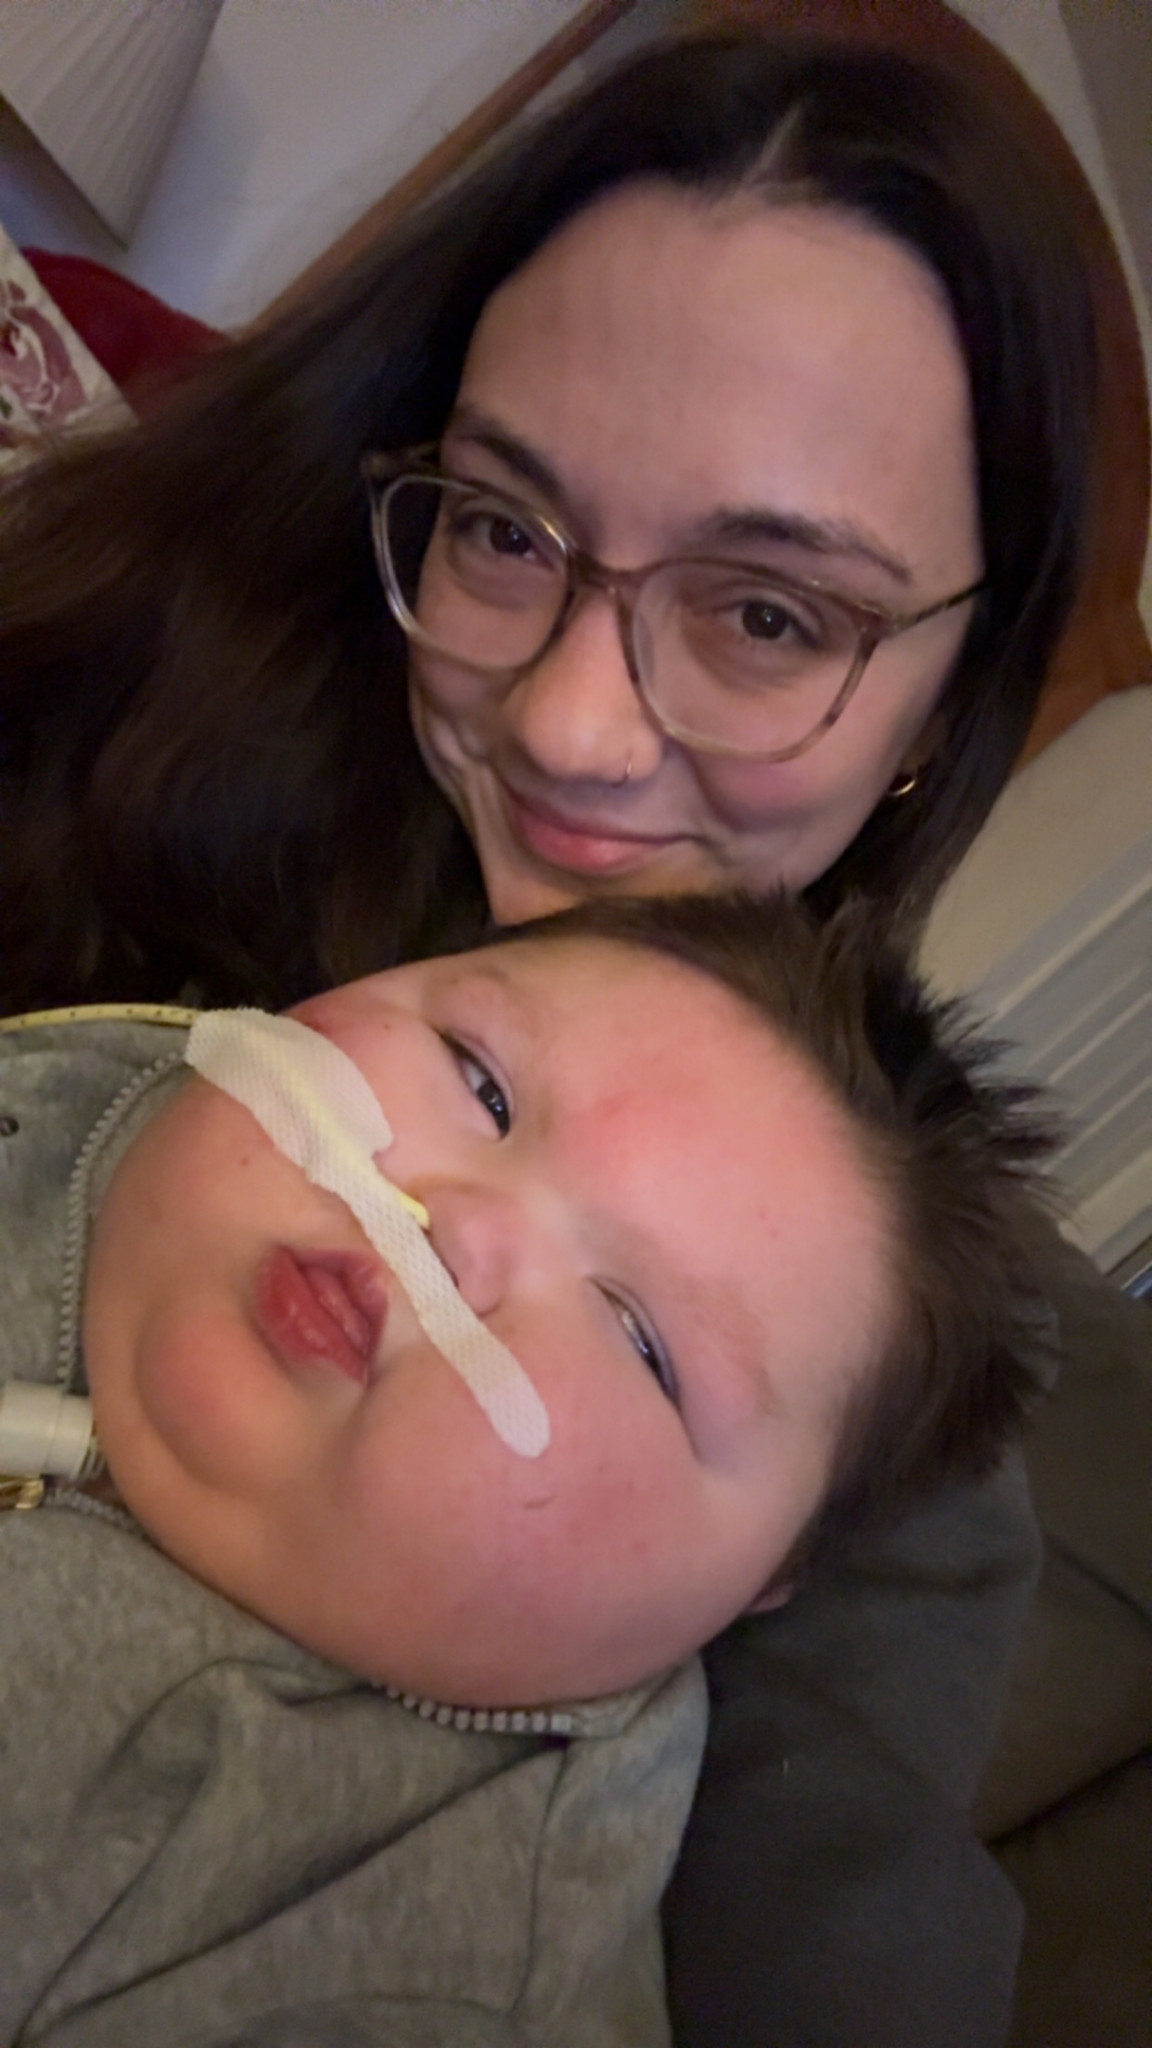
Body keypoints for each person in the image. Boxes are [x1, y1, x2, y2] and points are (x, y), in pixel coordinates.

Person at [0, 29, 1100, 2047]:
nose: (571, 726)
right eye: (506, 529)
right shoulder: (109, 692)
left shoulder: (865, 1424)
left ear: (949, 697)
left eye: (767, 615)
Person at [0, 892, 1057, 2046]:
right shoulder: (90, 1070)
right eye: (482, 1085)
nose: (452, 1228)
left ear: (755, 1585)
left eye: (640, 1339)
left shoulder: (393, 1954)